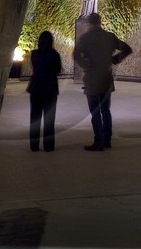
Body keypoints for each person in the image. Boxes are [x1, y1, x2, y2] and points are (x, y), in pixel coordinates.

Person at [72, 13, 132, 151]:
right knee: (106, 110)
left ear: (89, 23)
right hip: (106, 79)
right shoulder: (109, 37)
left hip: (92, 79)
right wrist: (114, 60)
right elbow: (127, 49)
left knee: (95, 111)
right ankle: (107, 140)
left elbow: (75, 54)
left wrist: (86, 64)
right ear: (100, 22)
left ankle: (98, 141)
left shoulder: (86, 38)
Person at [27, 30, 61, 152]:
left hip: (36, 88)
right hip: (50, 89)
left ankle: (34, 145)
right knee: (49, 119)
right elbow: (58, 70)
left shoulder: (34, 54)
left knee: (34, 118)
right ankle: (49, 145)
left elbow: (36, 68)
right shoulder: (54, 55)